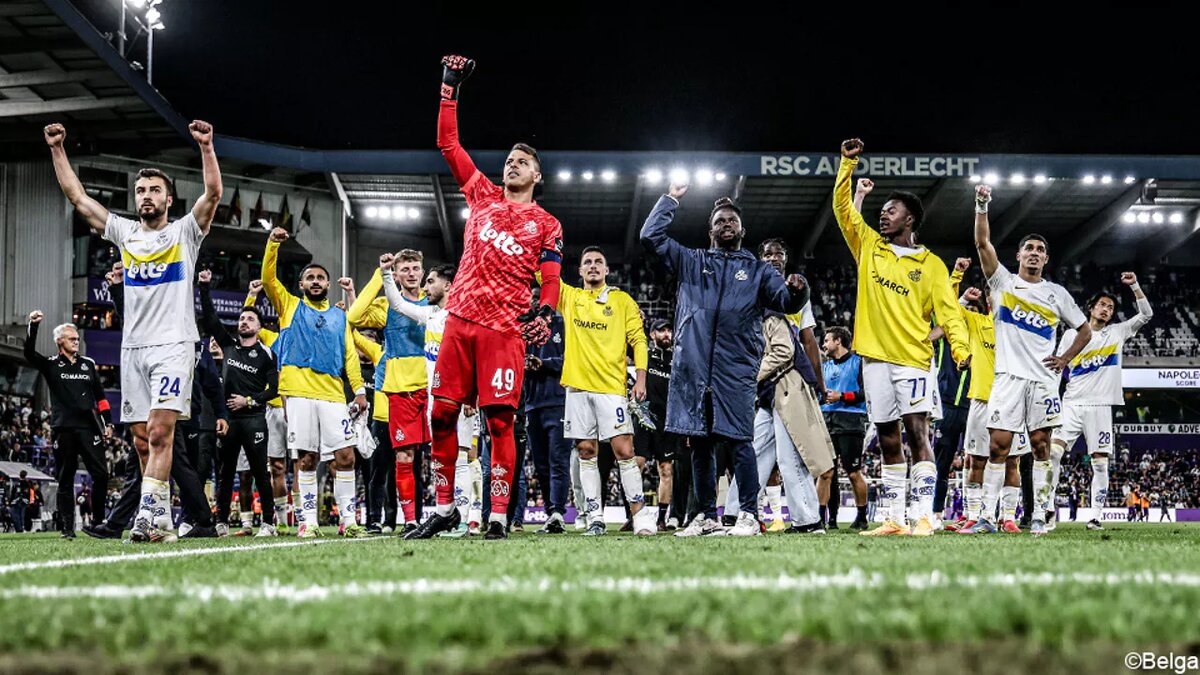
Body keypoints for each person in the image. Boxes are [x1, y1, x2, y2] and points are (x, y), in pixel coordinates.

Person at [406, 55, 564, 540]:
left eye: (523, 162)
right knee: (441, 415)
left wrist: (546, 311)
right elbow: (448, 144)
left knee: (499, 422)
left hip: (503, 330)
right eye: (510, 160)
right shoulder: (482, 195)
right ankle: (445, 508)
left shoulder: (547, 224)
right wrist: (448, 88)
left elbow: (552, 278)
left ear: (537, 176)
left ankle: (497, 516)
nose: (513, 164)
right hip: (459, 319)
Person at [45, 119, 222, 542]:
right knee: (142, 442)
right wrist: (57, 149)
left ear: (168, 198)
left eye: (154, 190)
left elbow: (213, 194)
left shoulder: (184, 232)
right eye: (140, 190)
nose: (146, 196)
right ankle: (160, 521)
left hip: (174, 345)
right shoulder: (125, 233)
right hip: (134, 349)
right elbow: (78, 198)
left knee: (161, 432)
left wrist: (206, 147)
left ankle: (145, 519)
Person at [641, 180, 808, 537]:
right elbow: (650, 236)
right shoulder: (692, 260)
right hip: (693, 368)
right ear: (710, 230)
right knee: (699, 444)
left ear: (742, 231)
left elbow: (785, 302)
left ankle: (748, 514)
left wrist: (799, 291)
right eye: (720, 220)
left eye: (732, 220)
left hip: (735, 369)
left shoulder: (759, 271)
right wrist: (671, 198)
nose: (726, 224)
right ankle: (705, 516)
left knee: (739, 441)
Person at [834, 139, 970, 536]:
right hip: (874, 360)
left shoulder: (932, 265)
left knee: (918, 433)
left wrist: (960, 348)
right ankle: (894, 518)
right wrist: (847, 165)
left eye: (891, 211)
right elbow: (842, 210)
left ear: (909, 220)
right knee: (888, 438)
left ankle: (923, 516)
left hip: (912, 360)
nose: (883, 215)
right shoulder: (869, 247)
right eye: (881, 211)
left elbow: (949, 312)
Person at [972, 184, 1091, 536]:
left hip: (1043, 381)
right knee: (998, 447)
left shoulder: (1057, 294)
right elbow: (982, 243)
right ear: (1019, 255)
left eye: (1040, 250)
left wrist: (1064, 358)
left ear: (1046, 259)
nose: (1035, 254)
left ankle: (1039, 513)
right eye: (1029, 249)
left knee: (1041, 447)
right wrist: (982, 204)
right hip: (1007, 377)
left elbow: (1084, 330)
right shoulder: (1003, 283)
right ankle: (986, 516)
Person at [261, 228, 368, 538]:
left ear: (328, 284)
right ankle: (308, 522)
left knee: (346, 456)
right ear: (301, 285)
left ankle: (348, 521)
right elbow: (268, 280)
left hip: (333, 394)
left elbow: (350, 356)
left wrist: (359, 390)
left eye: (321, 278)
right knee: (307, 458)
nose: (316, 281)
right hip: (298, 393)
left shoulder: (340, 317)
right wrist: (272, 246)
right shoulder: (289, 306)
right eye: (311, 278)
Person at [725, 239, 834, 533]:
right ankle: (735, 513)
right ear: (760, 258)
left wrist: (818, 383)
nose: (774, 258)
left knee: (790, 456)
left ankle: (808, 520)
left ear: (786, 259)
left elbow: (808, 342)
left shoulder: (796, 292)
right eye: (768, 253)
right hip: (767, 388)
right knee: (755, 451)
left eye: (779, 253)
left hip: (786, 379)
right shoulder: (754, 290)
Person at [379, 259, 482, 538]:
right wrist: (386, 273)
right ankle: (447, 513)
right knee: (443, 458)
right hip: (435, 397)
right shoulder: (431, 315)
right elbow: (398, 305)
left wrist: (472, 395)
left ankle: (463, 520)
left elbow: (475, 358)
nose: (425, 286)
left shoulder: (464, 316)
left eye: (431, 281)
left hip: (460, 397)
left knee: (461, 456)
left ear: (448, 285)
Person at [551, 246, 650, 536]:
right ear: (580, 271)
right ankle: (595, 517)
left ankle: (640, 515)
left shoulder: (622, 300)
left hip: (611, 387)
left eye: (598, 262)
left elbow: (639, 340)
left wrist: (640, 379)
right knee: (585, 451)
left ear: (607, 270)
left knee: (625, 450)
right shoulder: (570, 297)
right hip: (578, 388)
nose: (593, 266)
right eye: (587, 262)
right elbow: (544, 274)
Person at [1049, 272, 1152, 531]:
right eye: (1102, 305)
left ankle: (1095, 517)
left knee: (1100, 463)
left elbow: (1146, 314)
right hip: (1071, 403)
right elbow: (1058, 370)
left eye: (1111, 308)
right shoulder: (1070, 335)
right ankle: (1048, 509)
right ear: (1091, 308)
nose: (1106, 310)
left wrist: (1135, 286)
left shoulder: (1117, 332)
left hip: (1100, 407)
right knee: (1052, 454)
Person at [347, 251, 430, 535]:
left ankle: (455, 515)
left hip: (434, 387)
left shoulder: (433, 302)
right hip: (402, 390)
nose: (411, 273)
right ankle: (410, 521)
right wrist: (379, 275)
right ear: (396, 274)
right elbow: (354, 316)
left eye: (415, 268)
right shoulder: (386, 305)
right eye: (405, 269)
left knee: (447, 455)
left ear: (422, 272)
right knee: (403, 458)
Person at [198, 271, 280, 537]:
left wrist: (249, 400)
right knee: (225, 473)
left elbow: (274, 390)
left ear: (260, 327)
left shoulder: (267, 355)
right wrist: (205, 287)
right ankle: (221, 521)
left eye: (250, 319)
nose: (244, 322)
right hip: (229, 420)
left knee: (260, 473)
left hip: (254, 419)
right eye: (242, 318)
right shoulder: (228, 346)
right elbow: (210, 318)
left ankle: (268, 523)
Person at [24, 311, 112, 539]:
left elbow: (101, 397)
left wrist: (108, 422)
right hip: (63, 429)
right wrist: (33, 326)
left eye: (77, 338)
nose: (76, 341)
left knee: (102, 475)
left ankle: (98, 523)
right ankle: (67, 528)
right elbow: (29, 354)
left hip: (89, 428)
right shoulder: (51, 365)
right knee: (65, 478)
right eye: (71, 338)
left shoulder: (88, 364)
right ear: (59, 342)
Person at [244, 279, 295, 531]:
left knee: (304, 463)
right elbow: (248, 324)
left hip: (302, 403)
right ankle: (283, 521)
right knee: (277, 466)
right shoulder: (273, 339)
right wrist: (252, 295)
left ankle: (305, 518)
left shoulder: (310, 340)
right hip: (275, 409)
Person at [523, 309, 570, 534]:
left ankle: (558, 512)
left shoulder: (564, 323)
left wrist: (543, 363)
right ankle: (551, 513)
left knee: (558, 459)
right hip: (532, 403)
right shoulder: (525, 325)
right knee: (541, 464)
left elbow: (572, 359)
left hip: (559, 401)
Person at [820, 325, 869, 530]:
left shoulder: (858, 363)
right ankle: (824, 519)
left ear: (838, 341)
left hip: (851, 421)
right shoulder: (824, 367)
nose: (824, 345)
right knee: (825, 473)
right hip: (826, 420)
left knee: (853, 472)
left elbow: (867, 392)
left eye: (827, 340)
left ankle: (862, 517)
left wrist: (842, 396)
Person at [634, 319, 678, 531]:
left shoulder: (676, 359)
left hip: (667, 423)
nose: (666, 334)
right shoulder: (644, 356)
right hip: (644, 419)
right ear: (652, 335)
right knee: (636, 466)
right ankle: (634, 515)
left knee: (666, 470)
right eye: (661, 331)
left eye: (669, 330)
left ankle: (661, 519)